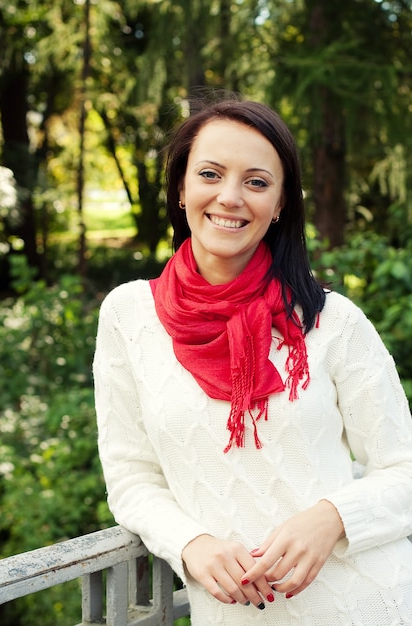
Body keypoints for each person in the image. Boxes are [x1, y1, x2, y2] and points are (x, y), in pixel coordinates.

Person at [93, 98, 412, 625]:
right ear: (181, 189)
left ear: (282, 201)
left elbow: (404, 468)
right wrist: (189, 542)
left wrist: (331, 518)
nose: (230, 197)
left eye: (257, 182)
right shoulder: (129, 316)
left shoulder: (332, 321)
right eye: (210, 174)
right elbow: (132, 478)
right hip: (235, 614)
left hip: (370, 604)